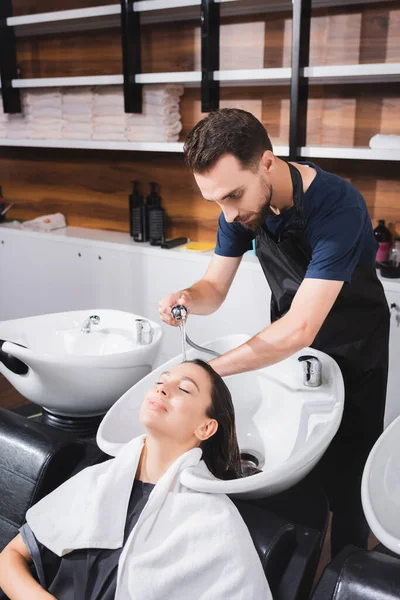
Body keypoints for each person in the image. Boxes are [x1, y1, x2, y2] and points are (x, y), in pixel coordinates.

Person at [159, 108, 390, 557]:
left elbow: (302, 326)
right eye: (216, 201)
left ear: (266, 162)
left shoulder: (337, 206)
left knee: (347, 483)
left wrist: (209, 371)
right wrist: (187, 295)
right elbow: (214, 288)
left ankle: (346, 569)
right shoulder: (241, 208)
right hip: (289, 352)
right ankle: (288, 564)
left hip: (353, 348)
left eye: (233, 195)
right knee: (292, 466)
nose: (227, 213)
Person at [0, 359, 271, 600]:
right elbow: (8, 560)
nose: (162, 389)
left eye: (185, 389)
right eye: (161, 381)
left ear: (206, 427)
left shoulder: (215, 521)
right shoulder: (97, 480)